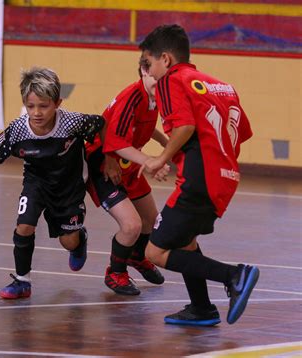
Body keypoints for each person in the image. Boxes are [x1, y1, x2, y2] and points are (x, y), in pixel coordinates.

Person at [138, 24, 259, 325]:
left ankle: (235, 275)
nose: (150, 73)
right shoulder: (221, 85)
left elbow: (187, 126)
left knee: (154, 252)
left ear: (165, 59)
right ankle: (202, 308)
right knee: (185, 241)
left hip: (199, 179)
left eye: (149, 64)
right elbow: (241, 133)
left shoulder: (171, 80)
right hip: (225, 177)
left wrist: (160, 158)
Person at [0, 67, 105, 299]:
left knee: (68, 241)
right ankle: (22, 281)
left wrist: (108, 160)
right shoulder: (19, 129)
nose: (37, 113)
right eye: (31, 106)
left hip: (69, 188)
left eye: (44, 106)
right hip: (36, 183)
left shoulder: (73, 123)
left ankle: (79, 240)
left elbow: (102, 125)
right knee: (24, 226)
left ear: (57, 103)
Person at [85, 65, 169, 296]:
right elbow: (109, 130)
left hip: (126, 162)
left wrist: (163, 141)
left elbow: (144, 125)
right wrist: (114, 160)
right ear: (143, 70)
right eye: (153, 75)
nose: (159, 80)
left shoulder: (155, 97)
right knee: (131, 226)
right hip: (105, 164)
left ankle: (136, 256)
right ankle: (115, 272)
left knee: (151, 221)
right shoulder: (131, 97)